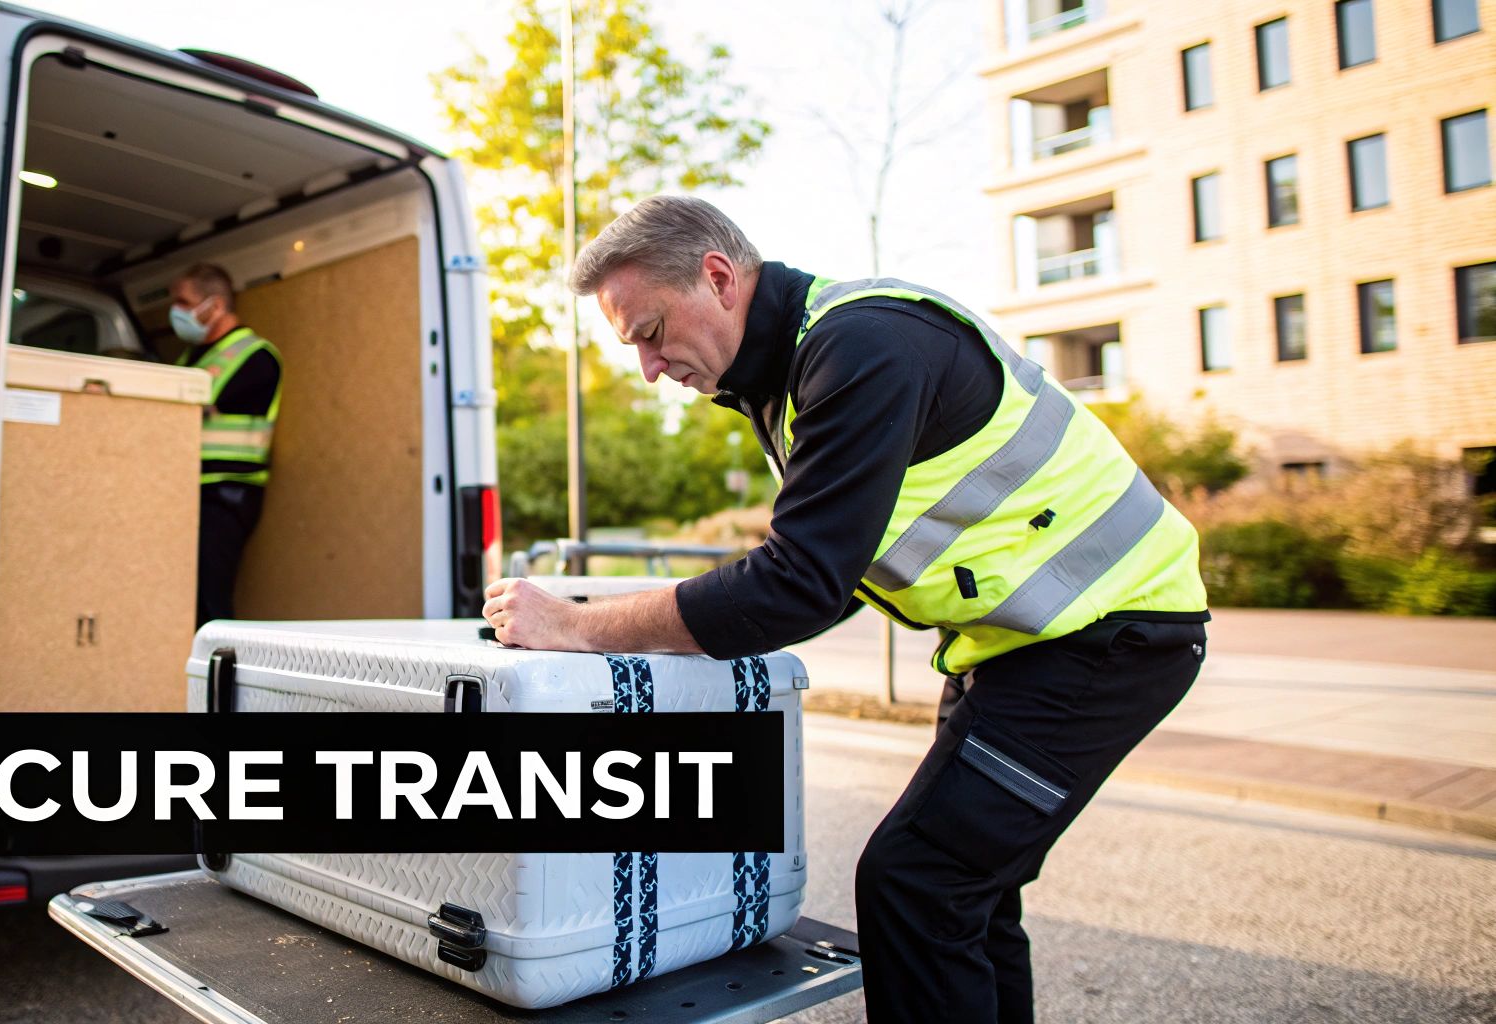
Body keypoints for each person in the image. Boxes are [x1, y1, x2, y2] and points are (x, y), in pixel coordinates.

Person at [481, 195, 1209, 1024]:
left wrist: (575, 627)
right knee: (967, 891)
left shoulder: (862, 345)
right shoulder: (784, 377)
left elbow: (796, 584)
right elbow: (800, 564)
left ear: (717, 277)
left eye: (649, 332)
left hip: (1111, 632)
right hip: (1024, 641)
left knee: (916, 880)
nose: (649, 367)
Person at [168, 263, 282, 627]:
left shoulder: (255, 355)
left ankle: (217, 680)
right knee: (182, 595)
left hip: (227, 494)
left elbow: (196, 408)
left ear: (214, 306)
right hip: (191, 490)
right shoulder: (191, 356)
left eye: (184, 303)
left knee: (210, 597)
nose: (176, 312)